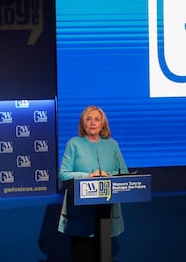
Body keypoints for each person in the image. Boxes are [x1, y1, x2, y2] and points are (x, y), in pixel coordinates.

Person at [58, 105, 129, 262]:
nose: (92, 123)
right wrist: (89, 176)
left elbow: (124, 172)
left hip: (106, 209)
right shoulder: (74, 144)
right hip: (80, 211)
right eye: (88, 119)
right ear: (82, 123)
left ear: (103, 123)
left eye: (97, 119)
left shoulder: (112, 144)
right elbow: (64, 173)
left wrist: (106, 174)